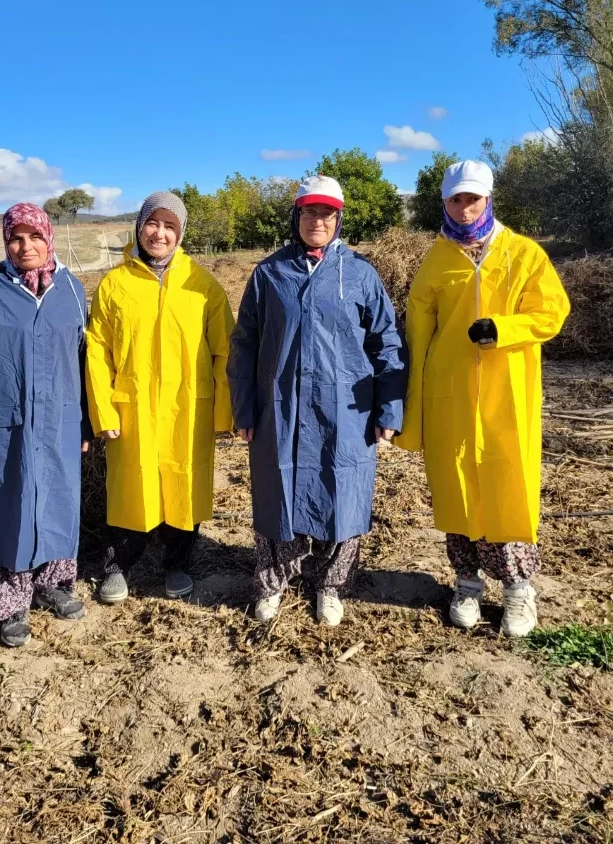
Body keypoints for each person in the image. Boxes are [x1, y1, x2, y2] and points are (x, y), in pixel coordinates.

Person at [395, 160, 570, 637]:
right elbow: (417, 332)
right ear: (445, 203)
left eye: (473, 198)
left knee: (508, 487)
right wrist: (413, 401)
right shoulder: (436, 259)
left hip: (507, 393)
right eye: (456, 199)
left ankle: (518, 590)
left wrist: (506, 330)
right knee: (456, 489)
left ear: (488, 198)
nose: (465, 207)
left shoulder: (524, 254)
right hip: (449, 394)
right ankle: (467, 583)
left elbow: (552, 311)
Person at [227, 175, 407, 627]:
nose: (317, 221)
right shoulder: (270, 273)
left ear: (339, 218)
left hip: (345, 409)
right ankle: (272, 582)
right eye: (309, 212)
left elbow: (386, 344)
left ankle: (330, 585)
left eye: (326, 213)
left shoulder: (360, 274)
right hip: (281, 406)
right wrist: (245, 409)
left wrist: (389, 409)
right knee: (276, 491)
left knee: (342, 492)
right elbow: (244, 344)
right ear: (296, 216)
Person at [0, 203, 92, 648]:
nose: (25, 246)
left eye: (34, 236)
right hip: (4, 428)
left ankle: (53, 585)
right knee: (7, 509)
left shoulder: (71, 290)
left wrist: (84, 421)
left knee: (59, 504)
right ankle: (9, 605)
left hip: (61, 423)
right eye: (15, 237)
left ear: (50, 237)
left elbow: (85, 363)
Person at [85, 191, 235, 602]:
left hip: (188, 409)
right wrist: (104, 412)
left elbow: (226, 349)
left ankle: (177, 563)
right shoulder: (114, 284)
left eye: (170, 226)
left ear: (181, 232)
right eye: (153, 223)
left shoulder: (201, 284)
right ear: (139, 226)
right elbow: (97, 352)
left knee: (183, 486)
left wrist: (222, 413)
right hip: (131, 408)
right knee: (131, 487)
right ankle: (119, 566)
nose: (160, 233)